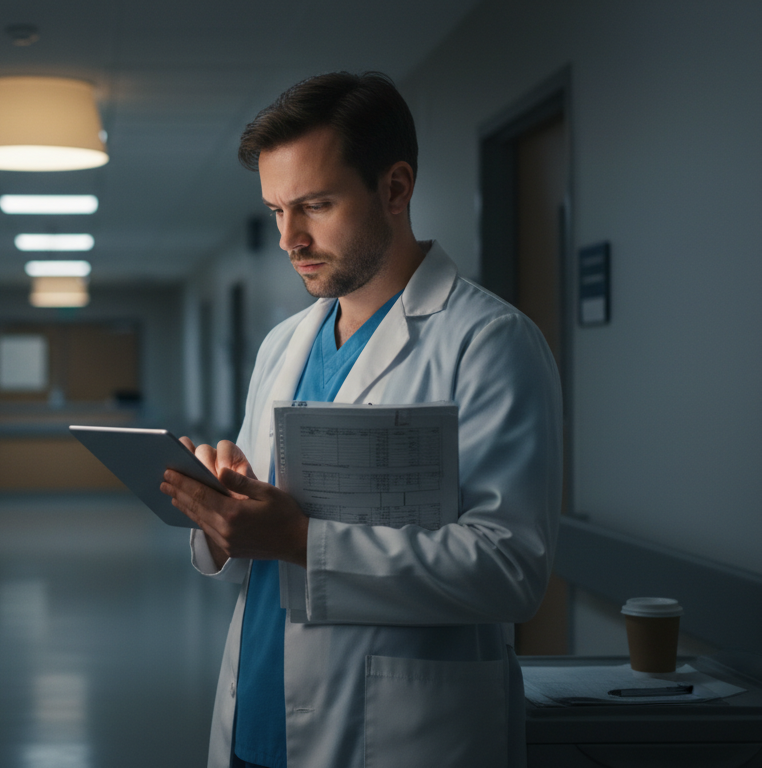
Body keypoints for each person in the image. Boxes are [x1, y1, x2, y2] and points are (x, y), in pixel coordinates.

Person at [160, 72, 562, 768]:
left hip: (395, 733)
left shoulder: (489, 342)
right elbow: (256, 563)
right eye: (276, 210)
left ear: (396, 189)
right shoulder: (282, 346)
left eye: (316, 204)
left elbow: (509, 569)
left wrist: (298, 539)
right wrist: (227, 513)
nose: (291, 238)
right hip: (256, 722)